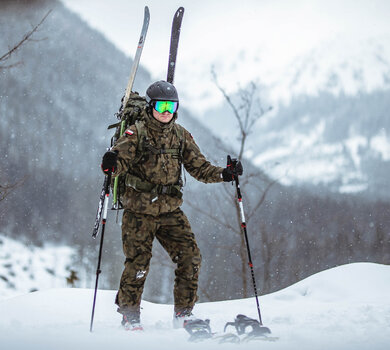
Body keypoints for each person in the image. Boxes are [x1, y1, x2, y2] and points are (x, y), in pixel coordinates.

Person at [101, 80, 243, 331]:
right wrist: (112, 164)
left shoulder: (180, 135)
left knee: (190, 257)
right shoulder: (136, 132)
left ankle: (184, 314)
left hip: (169, 210)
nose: (166, 111)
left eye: (171, 105)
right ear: (151, 106)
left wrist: (225, 174)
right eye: (161, 105)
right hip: (139, 211)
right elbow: (119, 162)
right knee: (138, 262)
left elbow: (200, 168)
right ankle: (129, 315)